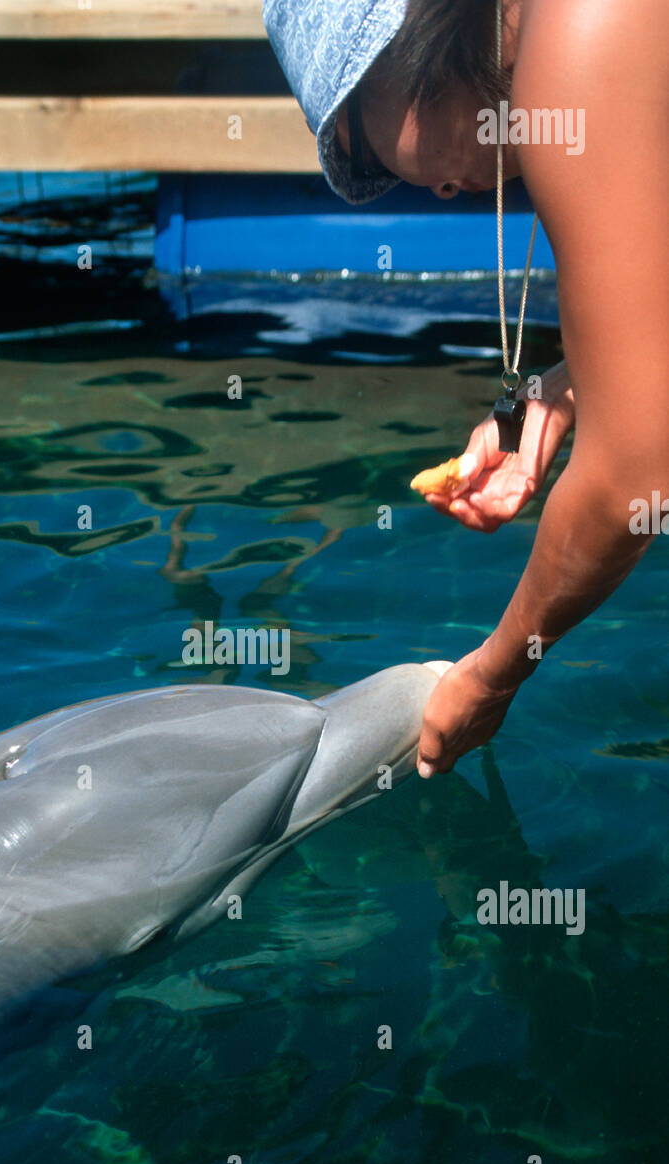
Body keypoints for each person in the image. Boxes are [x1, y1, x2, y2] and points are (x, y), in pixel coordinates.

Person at [263, 0, 668, 776]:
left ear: (398, 43)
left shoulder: (579, 40)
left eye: (366, 153)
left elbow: (634, 480)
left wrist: (494, 671)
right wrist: (574, 389)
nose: (426, 191)